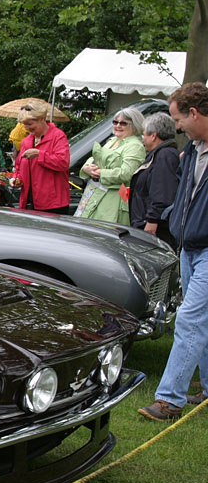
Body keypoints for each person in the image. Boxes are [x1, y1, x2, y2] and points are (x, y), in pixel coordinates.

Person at [138, 83, 208, 421]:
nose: (176, 126)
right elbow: (187, 197)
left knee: (190, 320)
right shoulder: (193, 149)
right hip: (190, 247)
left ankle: (169, 400)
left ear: (194, 113)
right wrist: (173, 217)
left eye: (179, 118)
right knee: (201, 321)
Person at [77, 107, 144, 224]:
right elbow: (94, 158)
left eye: (123, 123)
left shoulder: (135, 146)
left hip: (113, 199)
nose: (118, 126)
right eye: (115, 122)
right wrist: (86, 167)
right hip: (93, 195)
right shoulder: (111, 141)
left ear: (135, 125)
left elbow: (126, 173)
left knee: (103, 232)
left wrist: (101, 173)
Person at [129, 111, 180, 240]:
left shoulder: (165, 156)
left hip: (154, 228)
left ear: (153, 136)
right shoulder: (160, 155)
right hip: (147, 222)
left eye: (144, 134)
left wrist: (152, 219)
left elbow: (162, 191)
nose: (142, 139)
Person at [11, 103, 70, 213]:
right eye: (24, 125)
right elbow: (19, 165)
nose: (27, 128)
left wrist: (39, 154)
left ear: (42, 119)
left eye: (30, 124)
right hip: (29, 202)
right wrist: (16, 178)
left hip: (53, 204)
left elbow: (63, 163)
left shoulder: (58, 136)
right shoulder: (26, 141)